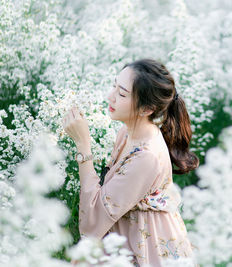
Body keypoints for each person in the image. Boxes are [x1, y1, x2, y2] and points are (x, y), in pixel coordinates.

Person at [62, 58, 200, 266]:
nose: (110, 97)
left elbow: (91, 225)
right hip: (125, 237)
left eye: (122, 94)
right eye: (114, 86)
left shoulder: (147, 156)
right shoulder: (127, 132)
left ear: (146, 109)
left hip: (145, 249)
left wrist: (83, 145)